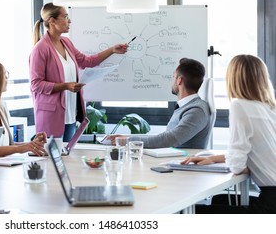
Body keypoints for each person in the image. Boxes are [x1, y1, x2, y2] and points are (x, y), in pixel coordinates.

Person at [182, 54, 276, 213]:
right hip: (271, 197)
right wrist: (212, 159)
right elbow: (252, 151)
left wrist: (241, 164)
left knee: (193, 212)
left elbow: (237, 166)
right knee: (219, 199)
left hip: (270, 204)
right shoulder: (269, 107)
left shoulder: (240, 106)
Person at [30, 2, 128, 142]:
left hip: (70, 114)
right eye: (65, 17)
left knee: (67, 158)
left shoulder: (66, 43)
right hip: (51, 117)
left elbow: (87, 61)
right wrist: (65, 86)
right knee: (53, 161)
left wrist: (112, 50)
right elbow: (36, 85)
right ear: (52, 21)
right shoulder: (40, 49)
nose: (69, 21)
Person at [107, 58, 211, 149]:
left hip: (183, 165)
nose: (172, 80)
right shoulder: (188, 106)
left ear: (179, 80)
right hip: (173, 159)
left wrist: (128, 140)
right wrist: (127, 138)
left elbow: (171, 139)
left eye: (173, 76)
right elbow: (166, 137)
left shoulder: (197, 110)